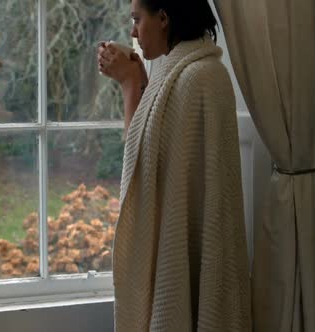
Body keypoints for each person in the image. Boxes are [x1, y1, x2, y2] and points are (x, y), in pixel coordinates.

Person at [98, 0, 252, 331]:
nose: (133, 31)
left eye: (138, 19)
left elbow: (141, 161)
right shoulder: (176, 72)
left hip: (192, 248)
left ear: (164, 18)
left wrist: (130, 84)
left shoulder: (201, 78)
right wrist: (136, 77)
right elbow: (151, 159)